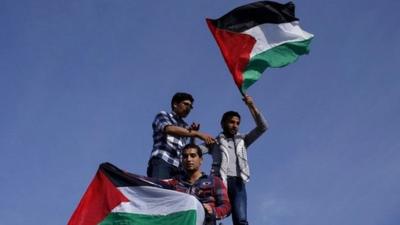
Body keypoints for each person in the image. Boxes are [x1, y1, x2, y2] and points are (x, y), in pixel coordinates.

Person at [202, 94, 268, 225]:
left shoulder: (242, 140)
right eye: (232, 122)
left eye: (237, 123)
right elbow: (195, 151)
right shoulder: (215, 142)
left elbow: (262, 127)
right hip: (218, 182)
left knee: (241, 219)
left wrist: (251, 105)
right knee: (210, 215)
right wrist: (194, 135)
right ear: (223, 123)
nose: (235, 125)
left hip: (238, 182)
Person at [147, 92, 215, 179]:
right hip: (163, 161)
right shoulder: (163, 115)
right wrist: (197, 134)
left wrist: (192, 135)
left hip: (179, 168)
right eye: (186, 104)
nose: (188, 108)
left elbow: (187, 149)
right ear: (175, 104)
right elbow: (169, 129)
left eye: (190, 107)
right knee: (160, 190)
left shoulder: (185, 126)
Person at [166, 144, 231, 225]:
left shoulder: (214, 181)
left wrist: (213, 211)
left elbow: (227, 206)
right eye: (185, 156)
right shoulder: (174, 183)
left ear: (201, 160)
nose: (189, 159)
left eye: (193, 156)